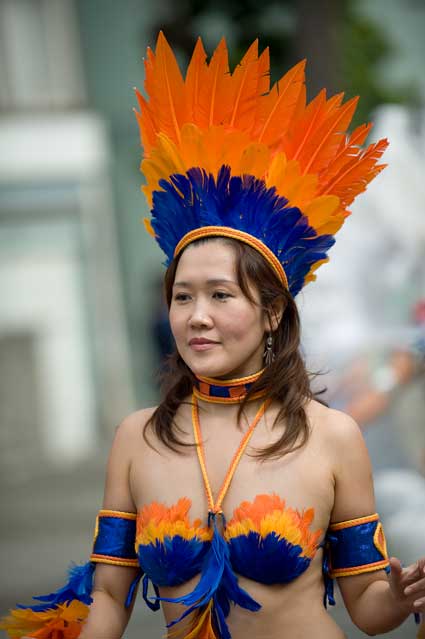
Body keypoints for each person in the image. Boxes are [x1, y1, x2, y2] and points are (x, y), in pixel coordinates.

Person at [1, 32, 425, 639]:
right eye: (182, 297)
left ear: (273, 312)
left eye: (221, 295)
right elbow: (110, 600)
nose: (196, 316)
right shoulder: (137, 439)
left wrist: (404, 592)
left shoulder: (333, 437)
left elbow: (367, 607)